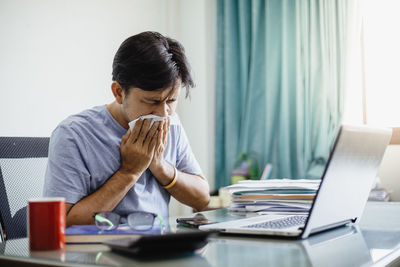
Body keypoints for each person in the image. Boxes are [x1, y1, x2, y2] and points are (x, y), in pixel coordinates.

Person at [43, 31, 210, 226]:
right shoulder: (74, 135)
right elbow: (62, 223)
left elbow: (202, 197)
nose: (163, 113)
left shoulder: (171, 124)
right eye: (152, 101)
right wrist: (129, 172)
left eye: (171, 100)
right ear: (119, 92)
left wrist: (159, 166)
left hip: (158, 249)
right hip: (99, 252)